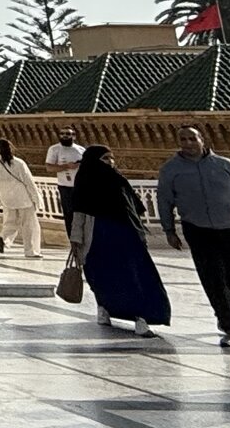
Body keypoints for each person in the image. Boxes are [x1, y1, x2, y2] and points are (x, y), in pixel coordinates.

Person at [158, 125, 230, 347]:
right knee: (213, 279)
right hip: (198, 230)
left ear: (202, 139)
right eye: (183, 139)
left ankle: (224, 312)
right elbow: (164, 202)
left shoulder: (224, 165)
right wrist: (169, 231)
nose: (188, 143)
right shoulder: (170, 170)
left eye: (192, 138)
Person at [70, 144, 171, 337]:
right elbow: (79, 213)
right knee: (102, 277)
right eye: (105, 158)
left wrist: (140, 233)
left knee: (135, 277)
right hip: (98, 238)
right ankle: (104, 308)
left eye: (111, 158)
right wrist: (76, 240)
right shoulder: (85, 181)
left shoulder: (118, 179)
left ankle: (141, 319)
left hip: (125, 236)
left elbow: (132, 209)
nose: (110, 162)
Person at [0, 139, 43, 259]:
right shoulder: (18, 163)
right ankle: (31, 251)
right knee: (29, 225)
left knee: (11, 221)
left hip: (6, 197)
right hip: (23, 198)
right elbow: (29, 182)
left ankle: (2, 236)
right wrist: (36, 198)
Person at [47, 126, 84, 230]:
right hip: (65, 188)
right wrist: (67, 166)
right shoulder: (54, 149)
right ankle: (72, 242)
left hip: (80, 187)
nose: (64, 136)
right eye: (62, 134)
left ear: (74, 136)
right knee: (69, 216)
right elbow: (49, 167)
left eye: (67, 134)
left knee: (82, 215)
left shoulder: (81, 150)